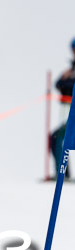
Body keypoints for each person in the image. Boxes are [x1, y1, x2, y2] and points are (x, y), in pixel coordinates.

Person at [50, 37, 75, 178]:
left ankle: (63, 174)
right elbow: (59, 84)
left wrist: (67, 81)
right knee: (58, 136)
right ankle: (63, 173)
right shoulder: (72, 69)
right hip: (70, 113)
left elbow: (68, 85)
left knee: (59, 136)